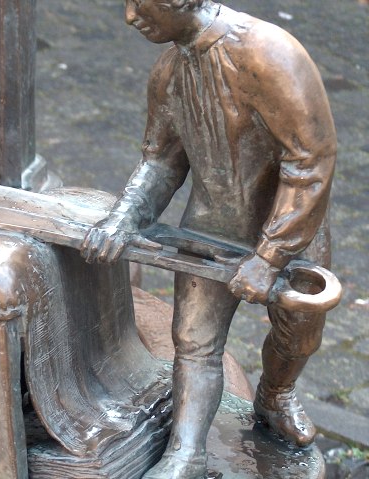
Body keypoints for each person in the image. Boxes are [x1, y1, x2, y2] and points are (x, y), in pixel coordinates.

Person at [80, 1, 337, 478]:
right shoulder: (167, 73)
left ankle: (275, 395)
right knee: (194, 340)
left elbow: (310, 162)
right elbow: (161, 159)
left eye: (141, 3)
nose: (130, 17)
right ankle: (187, 451)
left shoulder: (269, 54)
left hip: (289, 221)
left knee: (297, 335)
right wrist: (125, 217)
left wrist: (271, 254)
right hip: (211, 223)